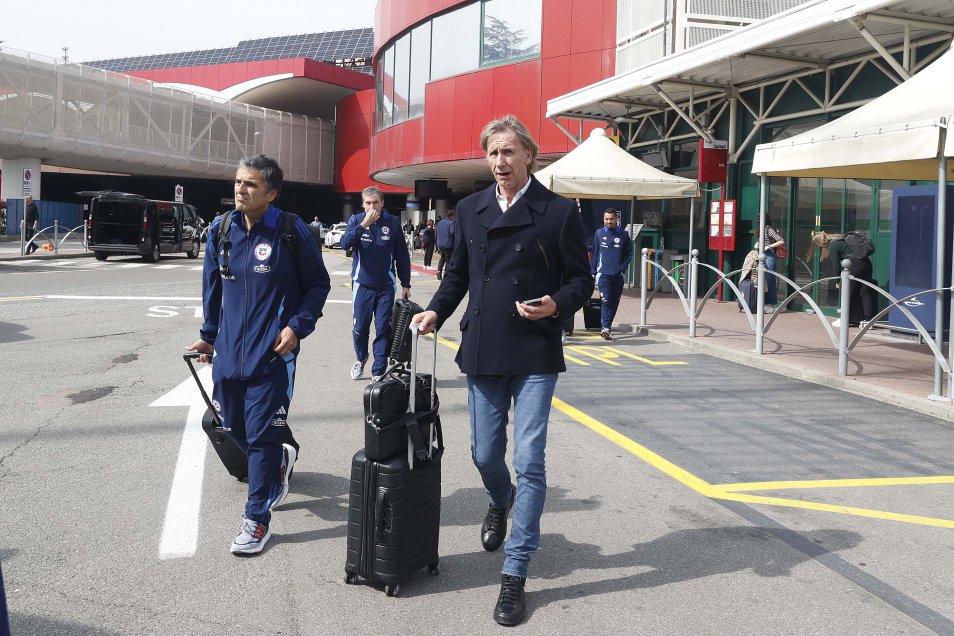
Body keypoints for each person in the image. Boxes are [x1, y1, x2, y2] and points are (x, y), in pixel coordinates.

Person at [413, 115, 593, 627]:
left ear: (529, 155)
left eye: (509, 152)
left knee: (530, 461)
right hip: (485, 346)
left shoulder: (559, 212)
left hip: (535, 350)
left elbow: (581, 281)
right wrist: (435, 311)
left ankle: (515, 571)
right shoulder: (471, 209)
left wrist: (557, 304)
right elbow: (458, 276)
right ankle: (499, 498)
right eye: (493, 153)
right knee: (484, 453)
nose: (500, 162)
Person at [186, 154, 331, 555]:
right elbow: (212, 289)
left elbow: (318, 285)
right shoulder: (221, 230)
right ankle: (279, 462)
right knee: (234, 427)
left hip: (273, 355)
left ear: (271, 193)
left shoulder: (290, 230)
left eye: (250, 184)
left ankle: (256, 519)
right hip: (229, 354)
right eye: (238, 182)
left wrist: (296, 327)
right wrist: (209, 336)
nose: (241, 189)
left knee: (263, 436)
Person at [340, 185, 412, 382]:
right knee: (360, 328)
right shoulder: (356, 220)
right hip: (362, 285)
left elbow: (402, 255)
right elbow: (345, 244)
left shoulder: (393, 222)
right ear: (363, 204)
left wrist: (406, 283)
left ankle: (378, 369)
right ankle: (361, 358)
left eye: (376, 203)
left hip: (385, 287)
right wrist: (363, 224)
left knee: (383, 329)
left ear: (382, 203)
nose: (372, 207)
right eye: (368, 203)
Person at [807, 230, 876, 327]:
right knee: (865, 292)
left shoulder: (832, 245)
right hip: (866, 263)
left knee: (846, 293)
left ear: (820, 243)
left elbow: (836, 266)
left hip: (854, 264)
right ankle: (869, 321)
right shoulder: (841, 240)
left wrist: (837, 281)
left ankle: (844, 319)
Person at [590, 208, 632, 340]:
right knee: (606, 301)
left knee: (614, 302)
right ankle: (605, 328)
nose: (609, 221)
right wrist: (593, 272)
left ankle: (607, 326)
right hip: (603, 274)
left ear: (616, 219)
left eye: (611, 219)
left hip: (618, 275)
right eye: (606, 219)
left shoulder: (623, 234)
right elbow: (595, 253)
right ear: (603, 219)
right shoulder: (599, 233)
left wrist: (622, 268)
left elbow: (628, 254)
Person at [761, 218, 786, 313]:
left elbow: (781, 240)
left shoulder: (769, 229)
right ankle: (763, 303)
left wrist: (769, 246)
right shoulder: (760, 229)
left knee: (769, 279)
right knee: (761, 280)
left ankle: (772, 304)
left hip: (768, 255)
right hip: (761, 254)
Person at [435, 211, 456, 280]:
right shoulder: (451, 223)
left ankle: (439, 272)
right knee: (448, 260)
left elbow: (436, 234)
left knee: (442, 258)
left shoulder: (439, 223)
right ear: (451, 215)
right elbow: (453, 232)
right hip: (448, 244)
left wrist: (437, 243)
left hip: (440, 244)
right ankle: (446, 275)